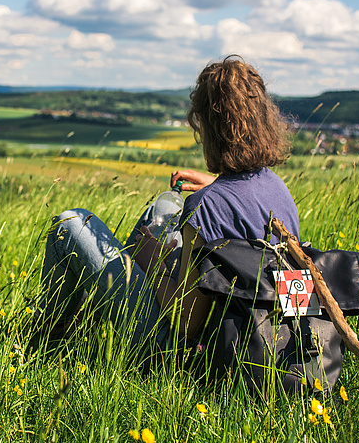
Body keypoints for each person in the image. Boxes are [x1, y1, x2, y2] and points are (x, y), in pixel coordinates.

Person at [37, 55, 299, 354]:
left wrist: (150, 259)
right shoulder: (278, 189)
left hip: (184, 353)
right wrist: (220, 186)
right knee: (162, 211)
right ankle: (96, 317)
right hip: (269, 341)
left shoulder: (207, 206)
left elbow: (187, 320)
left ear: (208, 127)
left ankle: (48, 340)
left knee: (71, 223)